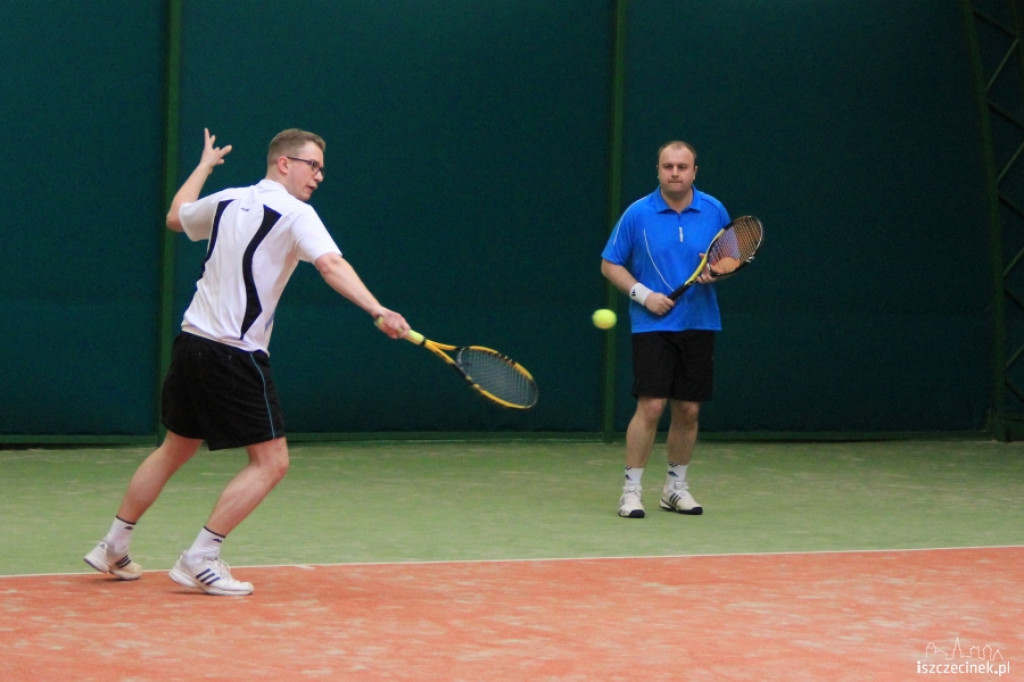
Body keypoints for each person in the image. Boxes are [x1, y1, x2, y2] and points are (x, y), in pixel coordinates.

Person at [84, 128, 410, 595]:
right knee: (272, 462)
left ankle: (113, 545)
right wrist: (377, 309)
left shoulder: (228, 198)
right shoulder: (297, 213)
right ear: (283, 163)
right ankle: (201, 556)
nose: (318, 176)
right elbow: (331, 265)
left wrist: (202, 168)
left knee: (175, 447)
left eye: (321, 168)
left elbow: (176, 217)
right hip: (233, 354)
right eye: (311, 165)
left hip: (191, 343)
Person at [600, 140, 730, 519]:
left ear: (694, 172)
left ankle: (675, 489)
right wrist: (644, 295)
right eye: (668, 166)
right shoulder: (637, 214)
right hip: (651, 324)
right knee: (652, 405)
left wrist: (716, 272)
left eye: (682, 167)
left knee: (688, 409)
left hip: (700, 321)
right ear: (658, 170)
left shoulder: (714, 209)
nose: (675, 172)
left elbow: (729, 255)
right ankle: (631, 491)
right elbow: (610, 264)